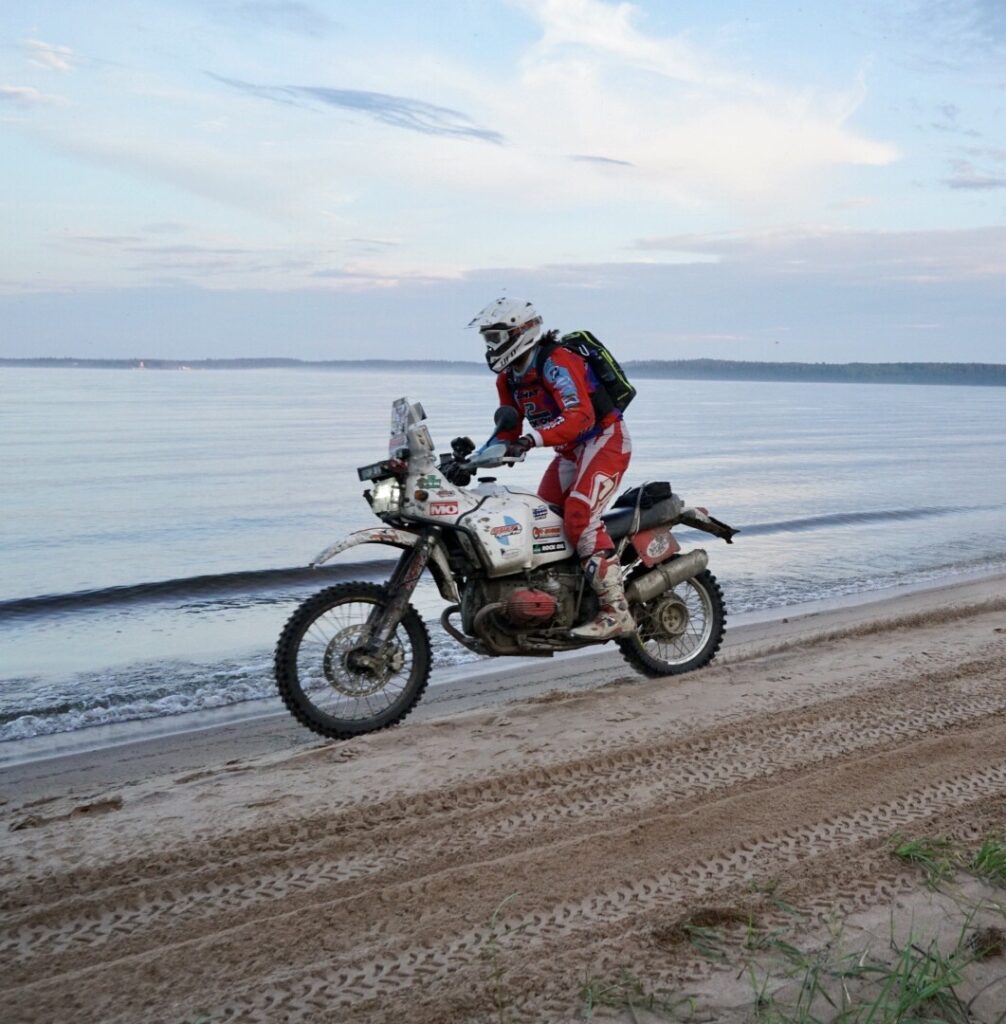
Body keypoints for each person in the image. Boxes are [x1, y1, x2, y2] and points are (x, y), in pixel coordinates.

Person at [466, 296, 635, 640]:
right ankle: (564, 599)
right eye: (488, 340)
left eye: (496, 338)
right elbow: (507, 430)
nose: (491, 347)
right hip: (571, 452)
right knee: (543, 522)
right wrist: (466, 462)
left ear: (522, 332)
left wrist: (531, 442)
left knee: (578, 515)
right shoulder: (509, 378)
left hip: (605, 440)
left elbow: (581, 416)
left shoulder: (557, 361)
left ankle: (616, 611)